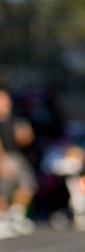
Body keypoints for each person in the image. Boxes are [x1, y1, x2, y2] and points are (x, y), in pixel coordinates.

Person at [0, 87, 37, 238]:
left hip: (17, 156)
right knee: (3, 190)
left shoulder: (15, 118)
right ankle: (2, 222)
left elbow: (26, 139)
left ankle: (15, 216)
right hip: (5, 156)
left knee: (28, 185)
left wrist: (26, 135)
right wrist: (2, 160)